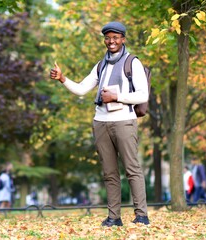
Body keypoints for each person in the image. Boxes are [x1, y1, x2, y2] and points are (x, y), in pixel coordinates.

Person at [50, 21, 150, 226]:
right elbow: (81, 89)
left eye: (115, 37)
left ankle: (141, 215)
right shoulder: (101, 64)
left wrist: (116, 96)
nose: (111, 41)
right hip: (101, 122)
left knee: (132, 169)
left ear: (123, 39)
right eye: (108, 37)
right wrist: (62, 79)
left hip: (124, 121)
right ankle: (114, 217)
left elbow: (143, 94)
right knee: (109, 172)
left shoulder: (133, 62)